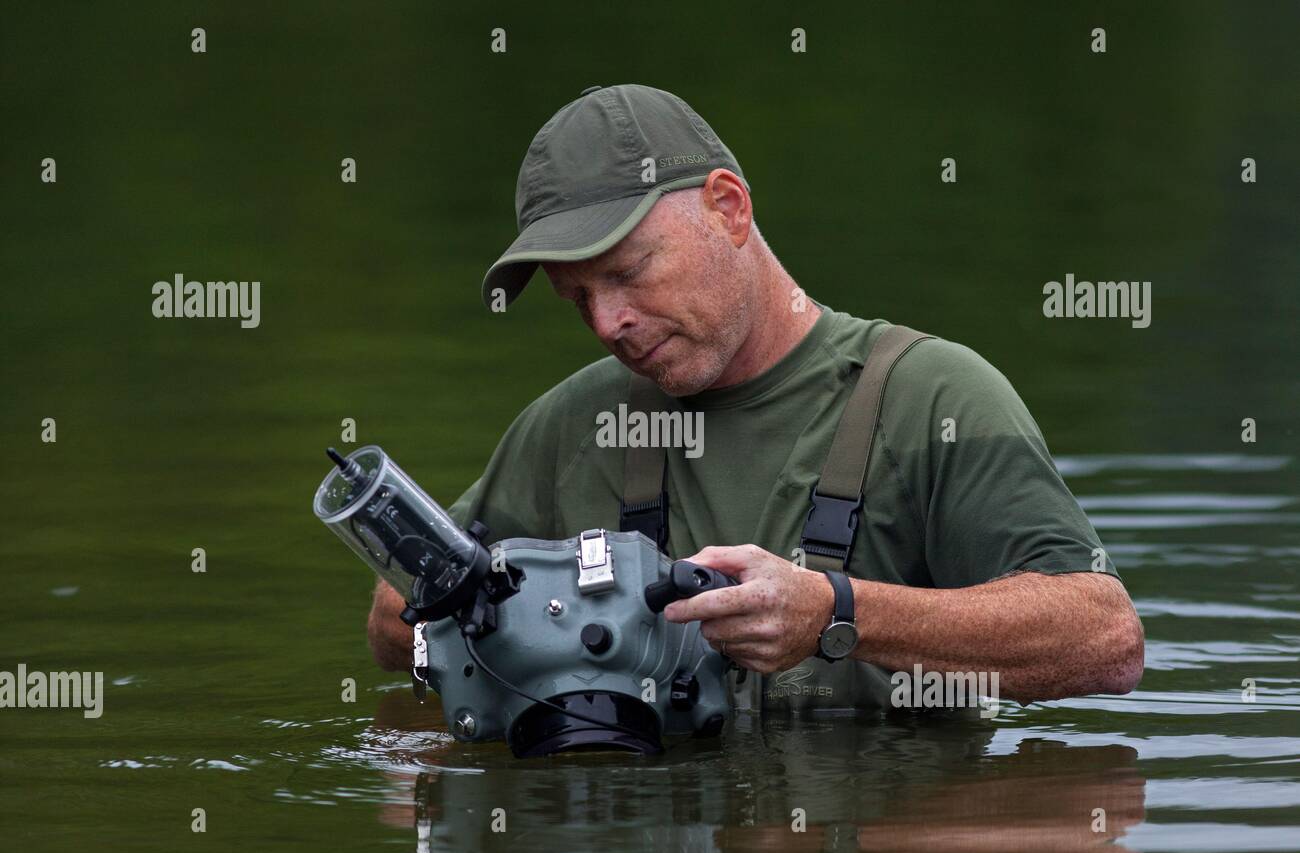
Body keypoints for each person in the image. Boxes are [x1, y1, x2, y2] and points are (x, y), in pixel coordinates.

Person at [367, 84, 1143, 712]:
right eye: (578, 299)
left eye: (629, 272)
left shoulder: (933, 395)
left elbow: (1104, 640)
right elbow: (392, 617)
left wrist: (836, 614)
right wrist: (556, 626)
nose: (608, 323)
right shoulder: (573, 424)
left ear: (728, 208)